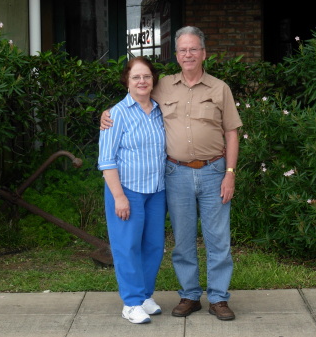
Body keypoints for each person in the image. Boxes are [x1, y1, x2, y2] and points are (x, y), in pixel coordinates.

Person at [101, 26, 242, 321]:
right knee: (183, 240)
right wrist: (105, 115)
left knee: (217, 239)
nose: (187, 54)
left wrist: (230, 172)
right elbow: (130, 105)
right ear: (176, 55)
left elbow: (231, 132)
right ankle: (189, 295)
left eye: (193, 49)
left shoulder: (219, 89)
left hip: (212, 172)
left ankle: (218, 298)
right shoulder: (162, 87)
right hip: (173, 174)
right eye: (182, 50)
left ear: (203, 53)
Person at [98, 56, 167, 324]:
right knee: (127, 246)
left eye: (147, 76)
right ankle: (131, 302)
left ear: (153, 81)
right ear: (127, 81)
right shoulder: (115, 115)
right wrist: (119, 197)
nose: (142, 81)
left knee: (153, 246)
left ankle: (145, 295)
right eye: (136, 77)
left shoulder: (161, 110)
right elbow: (106, 160)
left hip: (156, 191)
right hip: (127, 190)